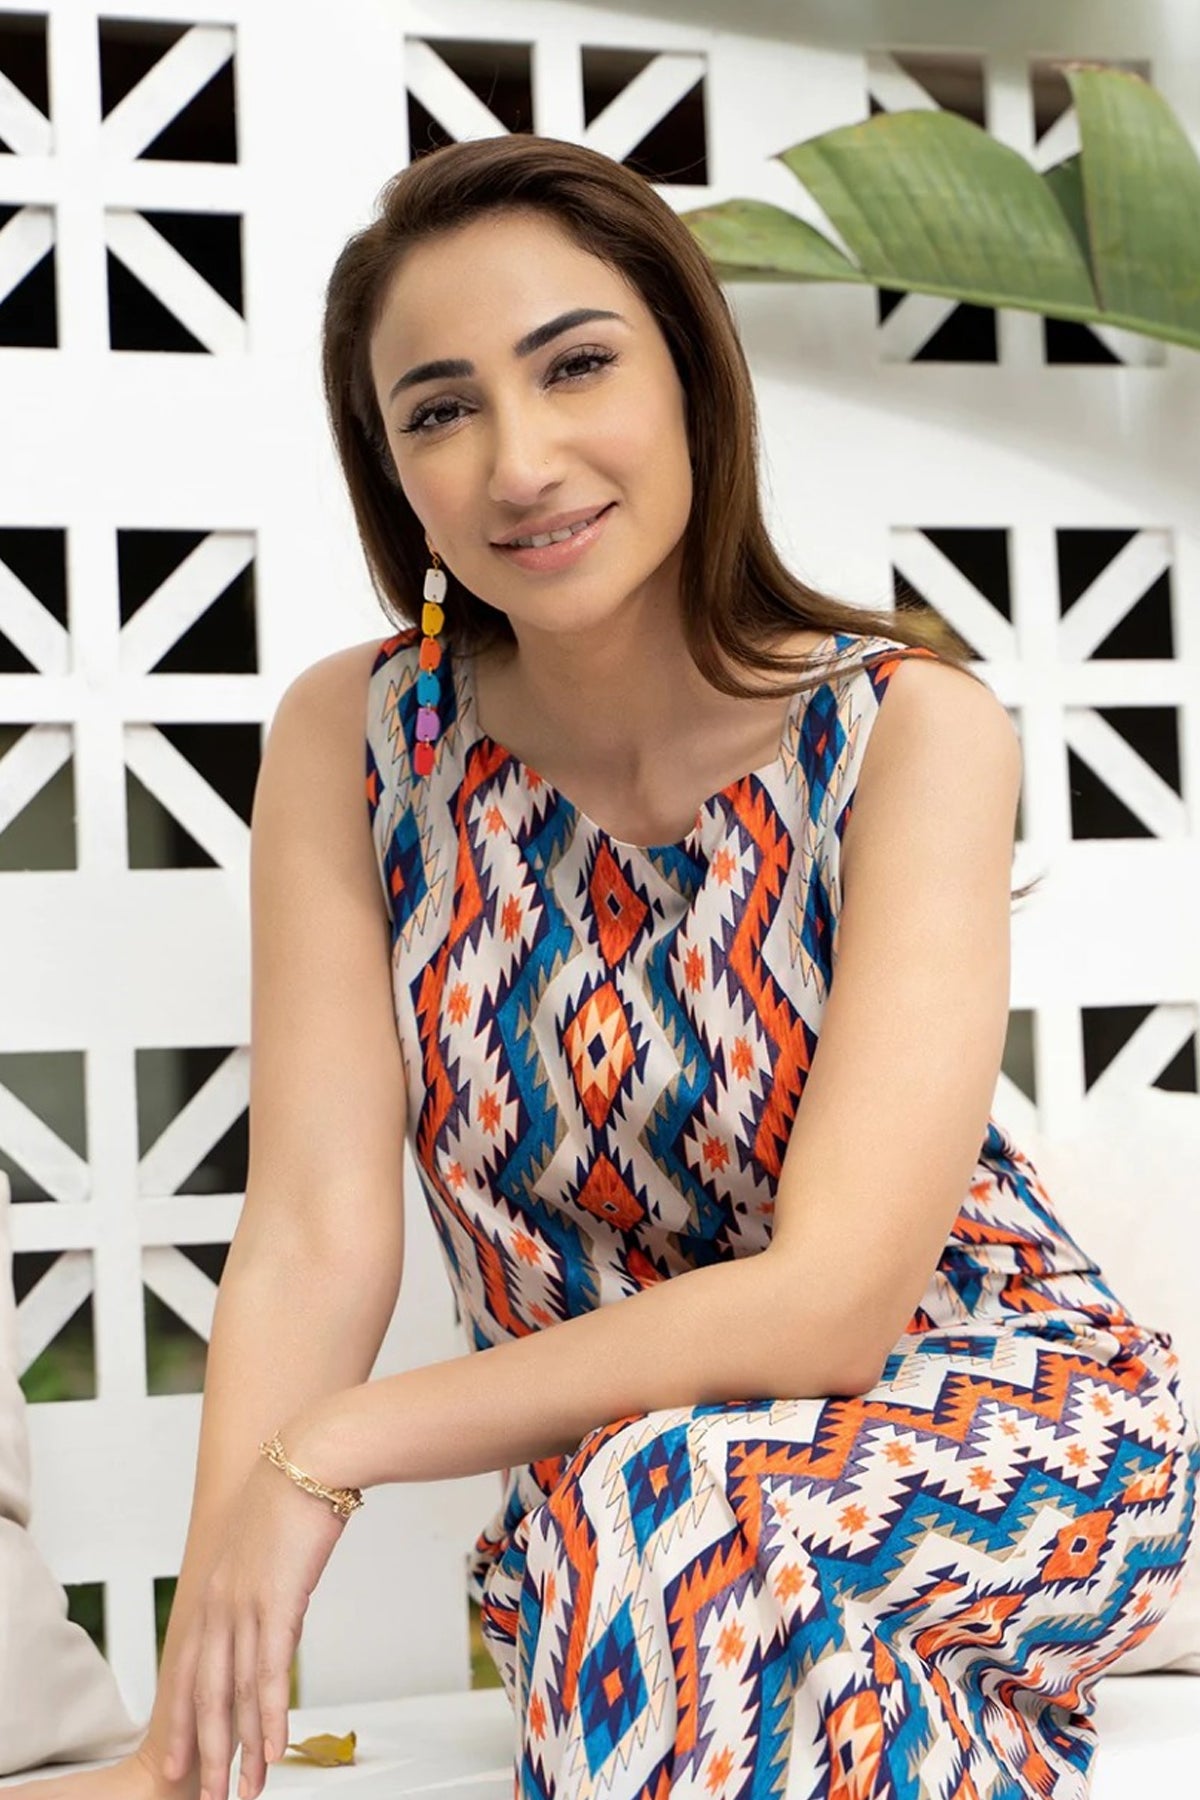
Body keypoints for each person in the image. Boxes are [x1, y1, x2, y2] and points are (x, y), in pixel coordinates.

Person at [11, 133, 1197, 1800]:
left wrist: (331, 1447)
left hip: (1013, 1438)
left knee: (657, 1525)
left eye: (576, 366)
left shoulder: (909, 730)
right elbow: (311, 1237)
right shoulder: (357, 741)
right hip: (627, 1511)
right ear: (394, 474)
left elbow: (831, 1305)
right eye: (440, 410)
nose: (520, 461)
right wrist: (187, 1729)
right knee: (636, 1541)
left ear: (692, 381)